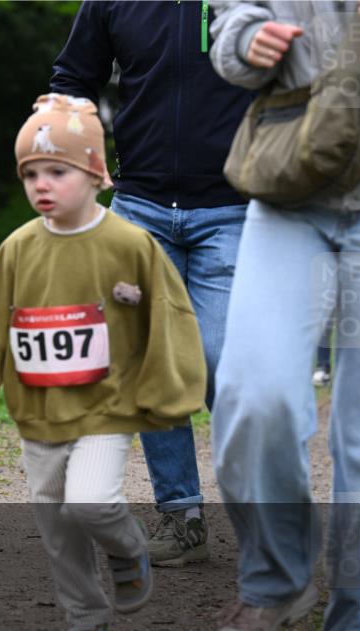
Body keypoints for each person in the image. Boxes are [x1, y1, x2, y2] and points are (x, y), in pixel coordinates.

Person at [0, 93, 207, 631]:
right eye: (30, 173)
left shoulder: (131, 244)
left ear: (97, 173)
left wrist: (165, 390)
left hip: (106, 409)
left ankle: (128, 547)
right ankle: (84, 615)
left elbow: (170, 319)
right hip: (38, 415)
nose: (41, 185)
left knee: (92, 502)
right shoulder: (18, 249)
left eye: (57, 170)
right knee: (57, 522)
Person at [50, 0, 254, 567]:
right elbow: (72, 79)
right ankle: (181, 514)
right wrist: (77, 143)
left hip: (233, 207)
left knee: (220, 361)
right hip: (140, 206)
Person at [207, 2, 360, 631]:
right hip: (290, 192)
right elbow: (225, 27)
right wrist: (248, 41)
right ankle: (274, 582)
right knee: (256, 394)